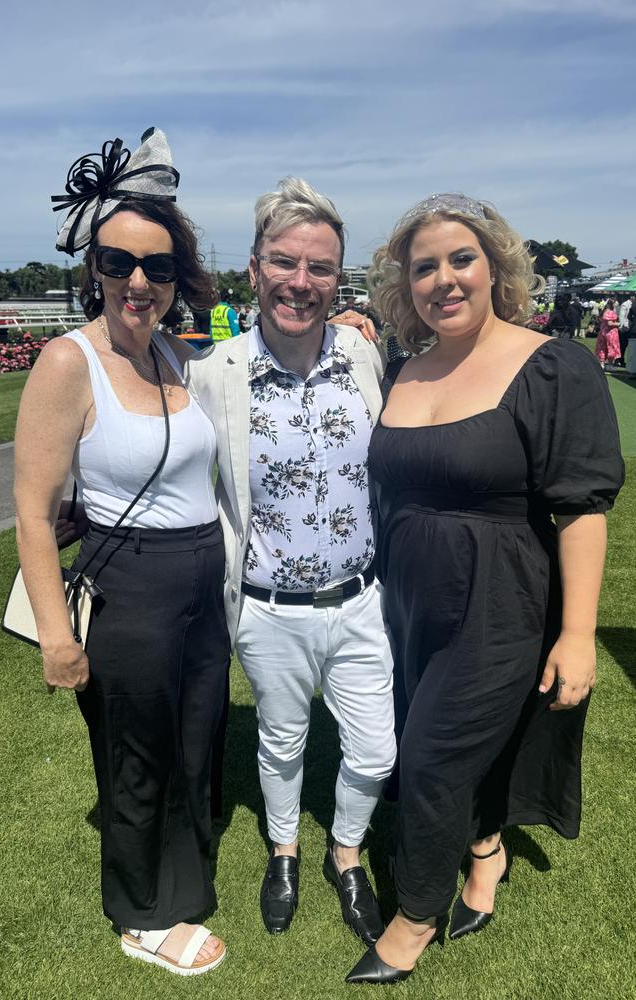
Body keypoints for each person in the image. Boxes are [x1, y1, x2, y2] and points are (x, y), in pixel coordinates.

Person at [345, 192, 624, 984]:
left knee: (430, 758)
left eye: (460, 259)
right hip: (406, 604)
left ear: (497, 265)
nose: (444, 279)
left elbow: (580, 509)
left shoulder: (552, 363)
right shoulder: (403, 367)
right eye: (423, 266)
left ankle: (415, 914)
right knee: (450, 743)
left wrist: (576, 636)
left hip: (500, 604)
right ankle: (486, 852)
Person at [14, 129, 230, 977]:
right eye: (120, 262)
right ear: (94, 268)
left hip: (198, 587)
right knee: (136, 754)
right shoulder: (69, 363)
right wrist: (57, 639)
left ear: (180, 278)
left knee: (195, 736)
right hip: (129, 590)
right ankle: (141, 915)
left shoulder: (177, 352)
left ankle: (183, 865)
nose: (139, 281)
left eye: (160, 266)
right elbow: (32, 514)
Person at [187, 177, 396, 946]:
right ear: (254, 268)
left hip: (362, 600)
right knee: (281, 742)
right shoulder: (215, 375)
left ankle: (347, 851)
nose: (301, 283)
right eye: (285, 262)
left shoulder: (364, 356)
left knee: (376, 747)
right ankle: (284, 850)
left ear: (337, 279)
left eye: (319, 268)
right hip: (268, 610)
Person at [595, 298, 621, 366]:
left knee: (602, 347)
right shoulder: (610, 312)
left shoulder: (604, 311)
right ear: (612, 304)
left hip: (603, 331)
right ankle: (610, 364)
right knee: (611, 348)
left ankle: (602, 363)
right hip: (611, 333)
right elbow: (610, 323)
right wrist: (619, 324)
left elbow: (601, 320)